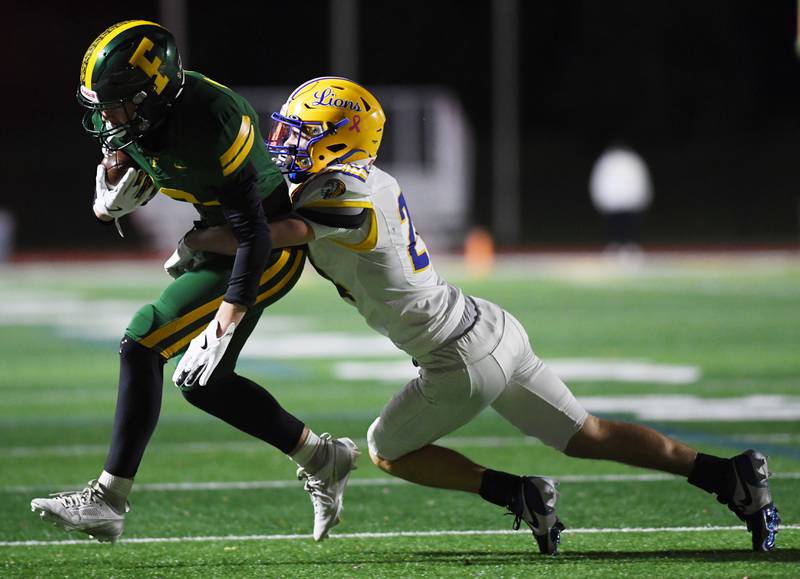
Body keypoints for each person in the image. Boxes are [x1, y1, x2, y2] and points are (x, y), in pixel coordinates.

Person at [185, 77, 781, 554]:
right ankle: (728, 476)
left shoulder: (344, 193)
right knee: (586, 435)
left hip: (456, 355)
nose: (286, 143)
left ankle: (519, 494)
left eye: (300, 132)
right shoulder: (360, 180)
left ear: (339, 139)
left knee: (385, 449)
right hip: (487, 326)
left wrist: (198, 238)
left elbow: (267, 235)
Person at [29, 22, 359, 544]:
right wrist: (119, 169)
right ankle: (324, 457)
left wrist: (227, 316)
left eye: (115, 105)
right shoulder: (143, 118)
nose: (105, 118)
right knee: (204, 384)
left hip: (263, 250)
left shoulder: (213, 122)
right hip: (218, 236)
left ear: (150, 95)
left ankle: (108, 501)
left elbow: (254, 233)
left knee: (143, 340)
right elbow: (137, 151)